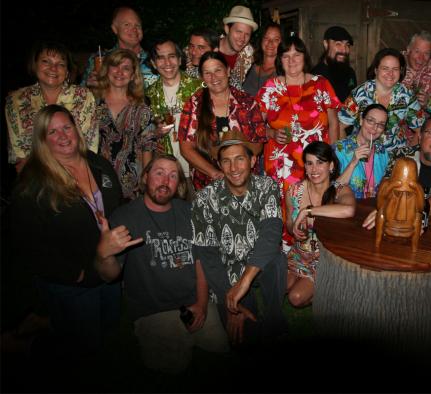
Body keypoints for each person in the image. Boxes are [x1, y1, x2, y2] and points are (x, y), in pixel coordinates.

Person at [5, 105, 123, 358]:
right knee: (82, 346)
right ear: (42, 140)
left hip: (108, 266)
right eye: (52, 132)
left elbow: (117, 204)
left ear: (76, 129)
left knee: (109, 325)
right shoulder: (33, 183)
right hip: (74, 281)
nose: (63, 136)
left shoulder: (97, 163)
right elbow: (25, 243)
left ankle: (46, 323)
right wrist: (72, 274)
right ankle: (27, 341)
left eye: (66, 127)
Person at [95, 155, 228, 374]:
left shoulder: (190, 212)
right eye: (159, 173)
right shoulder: (125, 216)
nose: (165, 181)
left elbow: (200, 261)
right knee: (170, 370)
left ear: (179, 184)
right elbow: (109, 276)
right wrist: (104, 254)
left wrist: (202, 304)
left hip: (194, 302)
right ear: (145, 177)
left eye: (173, 175)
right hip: (153, 311)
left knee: (221, 355)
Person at [190, 130, 288, 345]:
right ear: (219, 164)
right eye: (226, 161)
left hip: (259, 262)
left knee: (277, 259)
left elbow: (271, 233)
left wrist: (245, 281)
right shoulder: (204, 199)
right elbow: (208, 257)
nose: (233, 168)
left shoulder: (267, 186)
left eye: (239, 159)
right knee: (244, 340)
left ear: (252, 161)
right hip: (227, 271)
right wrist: (231, 303)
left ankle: (274, 317)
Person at [257, 35, 341, 253]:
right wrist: (270, 132)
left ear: (305, 57)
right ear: (280, 60)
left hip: (317, 164)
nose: (292, 60)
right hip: (282, 167)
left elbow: (334, 123)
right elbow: (254, 126)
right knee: (287, 215)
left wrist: (333, 156)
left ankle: (321, 255)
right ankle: (288, 258)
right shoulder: (270, 88)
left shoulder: (320, 84)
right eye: (286, 56)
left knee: (319, 208)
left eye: (297, 55)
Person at [178, 51, 267, 191]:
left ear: (228, 71)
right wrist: (215, 174)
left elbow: (258, 144)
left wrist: (237, 171)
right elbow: (186, 148)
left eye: (218, 70)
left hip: (244, 181)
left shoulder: (247, 102)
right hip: (208, 184)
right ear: (202, 77)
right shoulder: (194, 104)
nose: (214, 77)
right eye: (207, 73)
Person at [5, 41, 99, 173]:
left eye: (61, 64)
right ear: (34, 65)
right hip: (34, 175)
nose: (53, 68)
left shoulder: (83, 97)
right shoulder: (16, 100)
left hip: (75, 173)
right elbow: (19, 154)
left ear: (67, 71)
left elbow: (88, 148)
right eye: (46, 61)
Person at [362, 115, 431, 228]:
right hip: (395, 223)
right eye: (430, 133)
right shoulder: (401, 155)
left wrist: (396, 208)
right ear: (420, 137)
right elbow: (386, 188)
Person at [285, 141, 356, 307]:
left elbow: (349, 210)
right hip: (298, 255)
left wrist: (307, 211)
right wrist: (294, 228)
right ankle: (307, 283)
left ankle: (331, 290)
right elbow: (288, 223)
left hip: (323, 260)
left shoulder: (339, 190)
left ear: (331, 166)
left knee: (295, 297)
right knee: (281, 286)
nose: (314, 169)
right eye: (309, 163)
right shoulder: (294, 191)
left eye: (320, 162)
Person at [94, 49, 155, 201]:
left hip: (132, 184)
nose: (119, 72)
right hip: (97, 180)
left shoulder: (142, 108)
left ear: (133, 75)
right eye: (115, 66)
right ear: (107, 69)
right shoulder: (92, 103)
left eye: (126, 68)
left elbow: (147, 146)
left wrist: (145, 179)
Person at [338, 48, 423, 151]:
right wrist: (346, 154)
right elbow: (340, 126)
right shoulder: (359, 94)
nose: (390, 73)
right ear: (376, 70)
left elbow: (420, 129)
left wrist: (408, 154)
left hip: (395, 154)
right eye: (385, 68)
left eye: (395, 69)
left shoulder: (407, 95)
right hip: (363, 152)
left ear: (400, 71)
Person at [146, 38, 202, 183]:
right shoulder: (149, 95)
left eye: (171, 56)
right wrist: (156, 133)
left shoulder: (200, 88)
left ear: (179, 59)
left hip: (198, 168)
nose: (167, 63)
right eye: (160, 58)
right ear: (153, 63)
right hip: (167, 173)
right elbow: (143, 136)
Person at [82, 6, 158, 89]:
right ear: (115, 29)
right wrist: (89, 87)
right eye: (127, 25)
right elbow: (79, 93)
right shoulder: (101, 59)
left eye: (137, 25)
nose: (134, 29)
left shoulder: (155, 59)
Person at [334, 104, 390, 199]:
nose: (374, 128)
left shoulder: (382, 152)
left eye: (380, 125)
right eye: (370, 121)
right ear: (361, 120)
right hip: (348, 206)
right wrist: (353, 163)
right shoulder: (338, 149)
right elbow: (333, 193)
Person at [311, 26, 358, 103]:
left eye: (347, 45)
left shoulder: (350, 73)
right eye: (338, 44)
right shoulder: (314, 76)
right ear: (326, 44)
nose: (344, 50)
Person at [402, 31, 431, 108]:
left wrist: (429, 102)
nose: (421, 58)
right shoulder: (394, 64)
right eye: (417, 51)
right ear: (408, 49)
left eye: (426, 53)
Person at [219, 5, 258, 90]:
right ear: (227, 29)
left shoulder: (249, 55)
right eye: (239, 32)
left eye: (247, 34)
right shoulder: (206, 49)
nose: (242, 38)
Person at [243, 22, 282, 97]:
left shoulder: (283, 72)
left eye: (276, 39)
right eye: (266, 38)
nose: (270, 43)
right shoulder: (249, 66)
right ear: (261, 40)